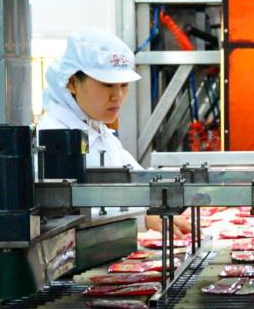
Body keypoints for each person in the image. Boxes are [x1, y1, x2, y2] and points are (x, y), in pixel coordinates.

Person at [38, 27, 189, 234]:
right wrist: (143, 218)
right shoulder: (51, 138)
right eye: (107, 84)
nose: (117, 96)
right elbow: (64, 217)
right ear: (72, 82)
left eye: (124, 85)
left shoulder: (99, 131)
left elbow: (139, 182)